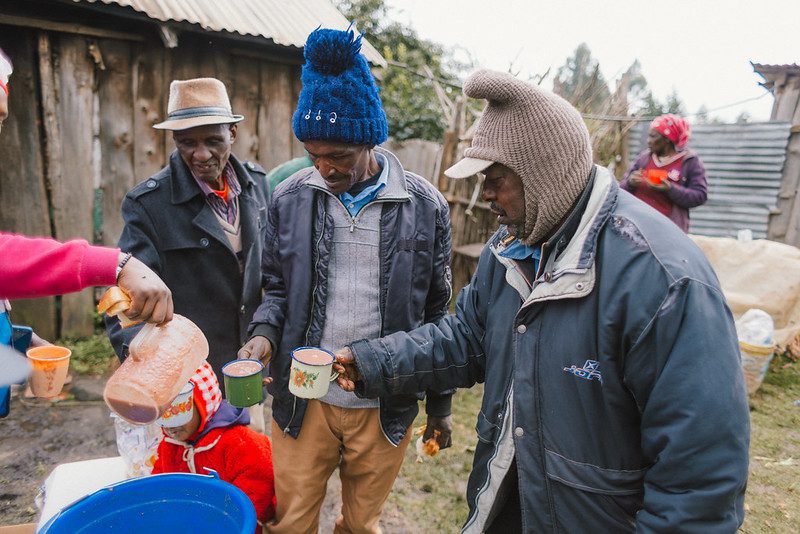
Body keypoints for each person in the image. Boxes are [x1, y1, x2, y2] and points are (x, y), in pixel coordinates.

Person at [334, 70, 750, 533]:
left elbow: (697, 484)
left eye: (495, 179)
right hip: (510, 503)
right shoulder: (512, 247)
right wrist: (374, 361)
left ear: (543, 172)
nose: (484, 195)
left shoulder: (664, 282)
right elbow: (467, 338)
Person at [238, 27, 454, 533]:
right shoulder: (289, 199)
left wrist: (440, 406)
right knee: (291, 522)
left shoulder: (424, 208)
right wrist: (263, 336)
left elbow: (438, 315)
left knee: (362, 524)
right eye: (313, 154)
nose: (323, 168)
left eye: (337, 156)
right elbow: (275, 289)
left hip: (385, 402)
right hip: (303, 400)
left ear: (368, 141)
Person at [1, 46, 173, 414]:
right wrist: (117, 264)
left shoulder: (251, 185)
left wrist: (15, 340)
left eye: (0, 120)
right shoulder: (147, 199)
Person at [105, 78, 270, 401]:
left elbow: (272, 275)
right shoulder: (149, 205)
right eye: (187, 143)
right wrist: (151, 370)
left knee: (248, 450)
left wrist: (267, 334)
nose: (201, 154)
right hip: (184, 381)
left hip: (244, 371)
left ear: (232, 133)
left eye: (213, 140)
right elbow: (123, 300)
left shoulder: (257, 185)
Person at [152, 363, 275, 533]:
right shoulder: (170, 445)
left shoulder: (239, 442)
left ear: (205, 405)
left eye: (180, 410)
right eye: (162, 412)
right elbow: (160, 487)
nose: (171, 425)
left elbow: (255, 494)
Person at [620, 114, 707, 233]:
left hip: (668, 233)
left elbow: (700, 196)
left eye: (652, 136)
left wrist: (670, 189)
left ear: (667, 139)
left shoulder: (689, 161)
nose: (648, 141)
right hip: (636, 227)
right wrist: (630, 183)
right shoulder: (644, 158)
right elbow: (621, 189)